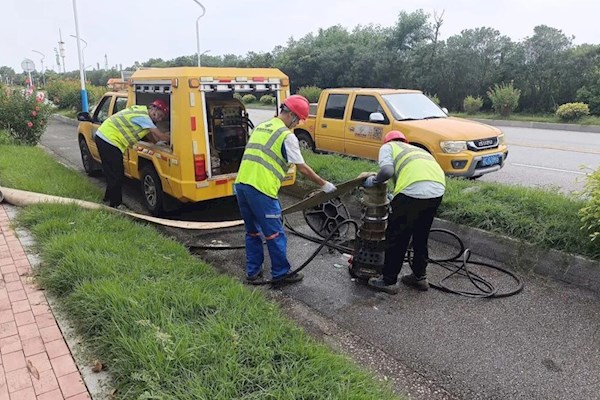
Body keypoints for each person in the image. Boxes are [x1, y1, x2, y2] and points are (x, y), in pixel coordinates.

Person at [235, 94, 337, 284]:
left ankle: (253, 273)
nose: (297, 124)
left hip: (242, 185)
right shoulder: (286, 136)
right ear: (291, 115)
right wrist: (324, 184)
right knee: (274, 233)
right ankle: (281, 274)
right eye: (297, 120)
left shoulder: (262, 126)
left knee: (252, 232)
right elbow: (302, 167)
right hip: (261, 189)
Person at [363, 130, 446, 294]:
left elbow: (387, 171)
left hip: (413, 191)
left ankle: (388, 281)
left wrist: (375, 180)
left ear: (387, 141)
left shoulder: (388, 147)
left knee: (397, 237)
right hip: (437, 190)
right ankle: (419, 277)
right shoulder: (416, 150)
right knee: (421, 235)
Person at [94, 99, 171, 209]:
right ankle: (116, 204)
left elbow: (149, 133)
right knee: (117, 173)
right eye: (160, 115)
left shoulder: (141, 111)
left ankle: (108, 198)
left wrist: (156, 143)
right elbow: (159, 135)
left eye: (162, 118)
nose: (159, 119)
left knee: (110, 172)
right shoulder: (144, 118)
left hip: (103, 137)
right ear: (154, 108)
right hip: (109, 140)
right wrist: (172, 139)